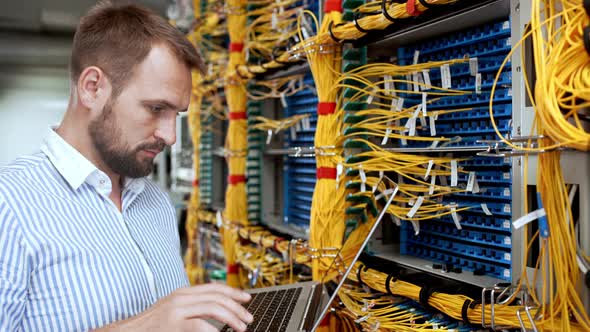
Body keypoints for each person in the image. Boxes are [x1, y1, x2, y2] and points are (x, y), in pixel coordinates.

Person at [0, 2, 253, 331]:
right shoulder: (11, 207)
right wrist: (144, 325)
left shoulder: (155, 202)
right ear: (92, 88)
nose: (170, 135)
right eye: (155, 108)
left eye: (176, 114)